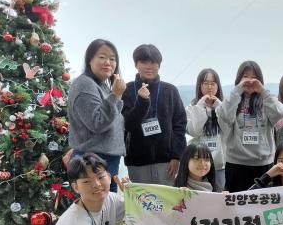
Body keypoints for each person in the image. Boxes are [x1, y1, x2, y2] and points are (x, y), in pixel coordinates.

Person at [216, 61, 283, 192]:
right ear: (239, 79)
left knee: (263, 203)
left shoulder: (266, 100)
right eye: (245, 76)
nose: (250, 81)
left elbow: (280, 115)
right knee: (235, 203)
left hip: (263, 165)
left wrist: (263, 91)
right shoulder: (233, 100)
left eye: (254, 77)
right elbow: (224, 115)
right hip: (236, 164)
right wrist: (237, 91)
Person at [121, 44, 187, 186]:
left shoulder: (170, 90)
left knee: (168, 199)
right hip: (137, 162)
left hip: (167, 162)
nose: (149, 66)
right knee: (142, 199)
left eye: (153, 62)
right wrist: (141, 102)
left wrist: (177, 156)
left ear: (159, 65)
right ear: (136, 64)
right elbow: (126, 124)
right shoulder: (127, 89)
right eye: (144, 62)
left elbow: (180, 125)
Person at [68, 39, 126, 192]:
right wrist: (115, 95)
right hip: (93, 161)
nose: (108, 62)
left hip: (105, 159)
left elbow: (113, 119)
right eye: (102, 57)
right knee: (96, 204)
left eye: (112, 59)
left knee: (108, 205)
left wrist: (115, 96)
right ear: (89, 60)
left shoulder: (101, 85)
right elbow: (98, 123)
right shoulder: (85, 84)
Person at [185, 68, 226, 188]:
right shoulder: (191, 108)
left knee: (220, 195)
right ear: (199, 85)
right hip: (199, 164)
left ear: (218, 86)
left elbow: (229, 130)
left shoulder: (224, 106)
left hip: (221, 164)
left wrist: (219, 106)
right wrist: (200, 106)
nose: (209, 87)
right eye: (205, 83)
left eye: (213, 83)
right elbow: (194, 131)